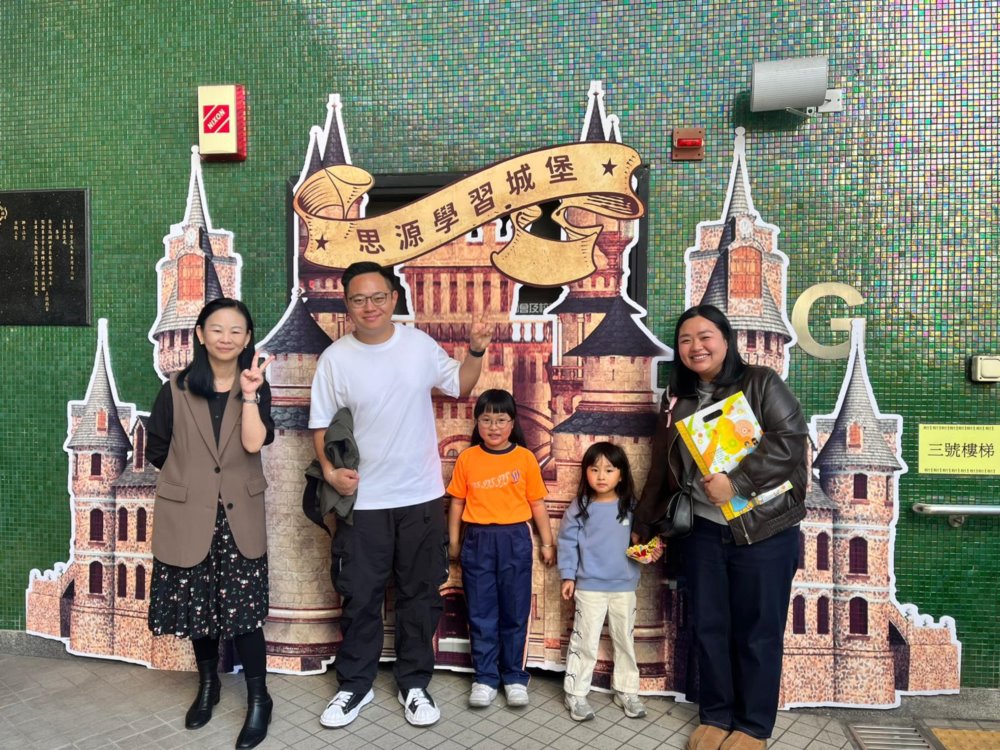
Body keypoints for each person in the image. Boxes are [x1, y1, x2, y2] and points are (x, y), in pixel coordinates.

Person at [310, 261, 491, 729]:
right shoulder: (335, 359)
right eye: (358, 299)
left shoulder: (418, 345)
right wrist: (330, 472)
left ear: (394, 298)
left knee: (420, 594)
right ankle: (356, 685)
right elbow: (320, 424)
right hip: (364, 502)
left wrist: (475, 349)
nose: (369, 306)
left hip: (420, 497)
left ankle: (414, 684)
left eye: (378, 297)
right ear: (347, 305)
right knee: (360, 596)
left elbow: (461, 384)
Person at [633, 304, 808, 750]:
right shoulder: (677, 398)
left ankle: (752, 726)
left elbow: (790, 444)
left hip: (764, 532)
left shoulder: (761, 382)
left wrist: (738, 483)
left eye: (705, 336)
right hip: (703, 533)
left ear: (726, 340)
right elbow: (662, 466)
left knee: (758, 632)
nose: (696, 346)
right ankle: (715, 715)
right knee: (710, 627)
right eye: (685, 339)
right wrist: (645, 521)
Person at [146, 298, 276, 750]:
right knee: (198, 610)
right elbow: (157, 448)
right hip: (189, 515)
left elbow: (254, 444)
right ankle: (208, 686)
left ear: (247, 338)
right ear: (200, 334)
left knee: (245, 616)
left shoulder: (255, 384)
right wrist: (195, 483)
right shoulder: (176, 388)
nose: (226, 338)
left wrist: (251, 394)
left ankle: (259, 699)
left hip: (239, 516)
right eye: (217, 329)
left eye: (236, 330)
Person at [446, 389, 555, 709]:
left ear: (513, 422)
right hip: (477, 539)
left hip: (515, 539)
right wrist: (454, 541)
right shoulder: (468, 458)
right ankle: (484, 678)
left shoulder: (525, 458)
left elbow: (537, 504)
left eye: (501, 420)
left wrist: (547, 542)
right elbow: (457, 503)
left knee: (515, 611)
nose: (493, 427)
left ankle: (514, 677)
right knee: (481, 612)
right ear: (477, 422)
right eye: (486, 420)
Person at [558, 442, 647, 722]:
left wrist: (650, 550)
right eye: (594, 469)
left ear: (621, 475)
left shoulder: (631, 507)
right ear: (585, 472)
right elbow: (567, 542)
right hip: (589, 587)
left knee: (625, 641)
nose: (601, 476)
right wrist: (568, 575)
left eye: (609, 470)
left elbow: (644, 542)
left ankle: (626, 690)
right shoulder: (580, 507)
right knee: (584, 641)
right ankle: (575, 692)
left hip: (624, 587)